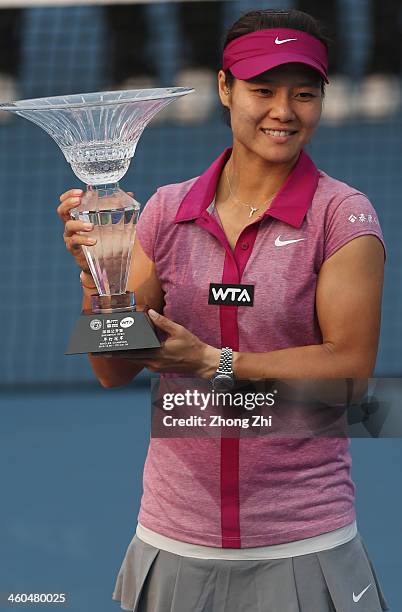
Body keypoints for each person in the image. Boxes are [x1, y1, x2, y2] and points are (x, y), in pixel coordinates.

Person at [57, 8, 389, 612]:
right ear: (224, 88)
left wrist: (216, 362)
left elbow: (351, 375)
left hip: (305, 543)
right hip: (173, 539)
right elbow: (112, 370)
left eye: (304, 94)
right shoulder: (163, 210)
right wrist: (97, 285)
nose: (283, 112)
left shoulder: (344, 218)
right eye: (263, 90)